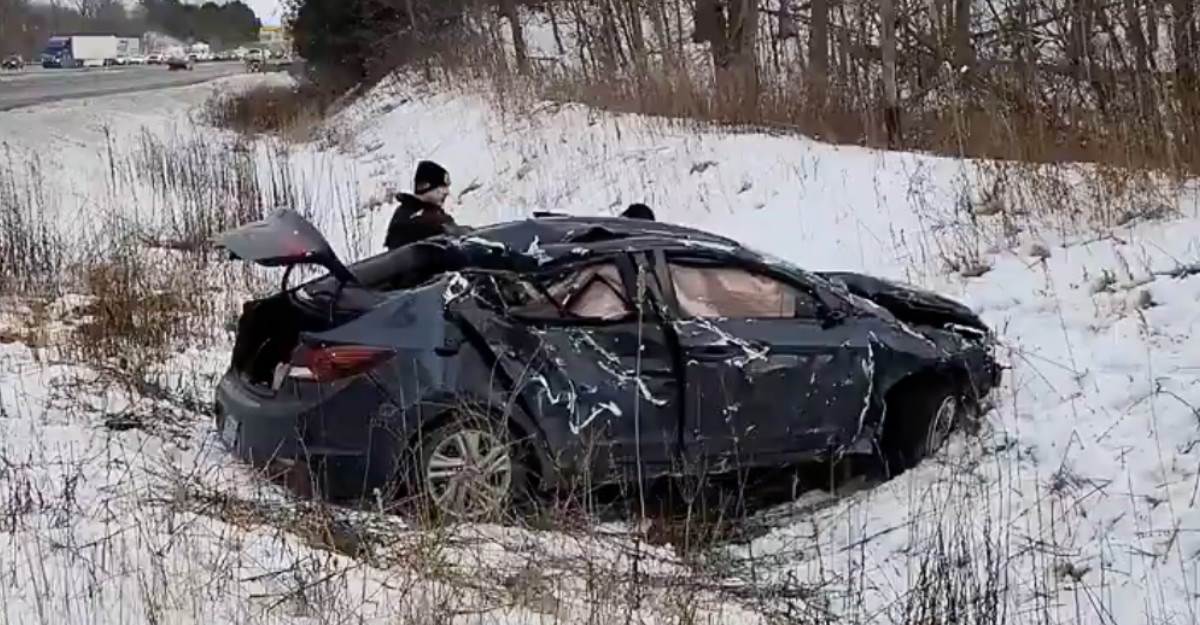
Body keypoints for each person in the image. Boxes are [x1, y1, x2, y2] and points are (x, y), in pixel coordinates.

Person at [384, 160, 461, 250]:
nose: (446, 192)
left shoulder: (435, 213)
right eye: (442, 187)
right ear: (426, 186)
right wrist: (444, 228)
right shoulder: (406, 215)